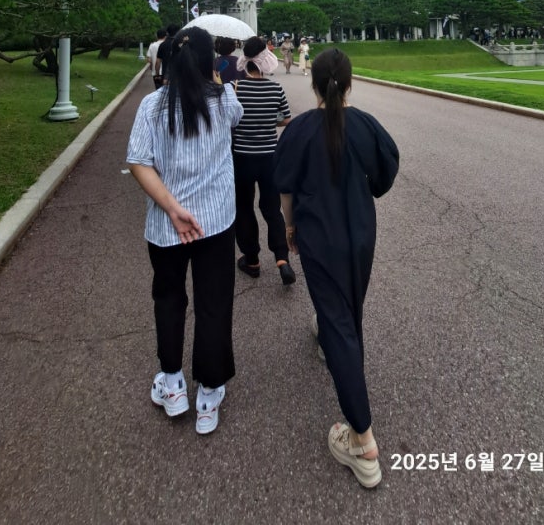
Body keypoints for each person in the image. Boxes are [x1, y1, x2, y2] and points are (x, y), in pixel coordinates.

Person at [273, 48, 399, 488]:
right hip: (359, 233)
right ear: (349, 84)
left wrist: (289, 226)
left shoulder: (299, 130)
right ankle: (329, 333)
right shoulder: (365, 125)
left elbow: (284, 188)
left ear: (314, 83)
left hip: (318, 235)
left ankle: (362, 442)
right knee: (347, 308)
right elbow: (385, 175)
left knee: (339, 323)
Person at [126, 26, 243, 435]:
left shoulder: (151, 106)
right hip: (215, 222)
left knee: (169, 299)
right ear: (212, 63)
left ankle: (173, 383)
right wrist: (216, 76)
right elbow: (235, 113)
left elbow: (138, 161)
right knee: (214, 303)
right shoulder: (225, 100)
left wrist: (174, 210)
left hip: (166, 226)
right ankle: (209, 393)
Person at [232, 36, 295, 285]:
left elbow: (230, 120)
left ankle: (252, 260)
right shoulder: (275, 88)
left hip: (242, 157)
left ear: (246, 61)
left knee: (244, 207)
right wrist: (270, 121)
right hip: (270, 156)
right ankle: (282, 259)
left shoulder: (235, 88)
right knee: (271, 208)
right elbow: (286, 119)